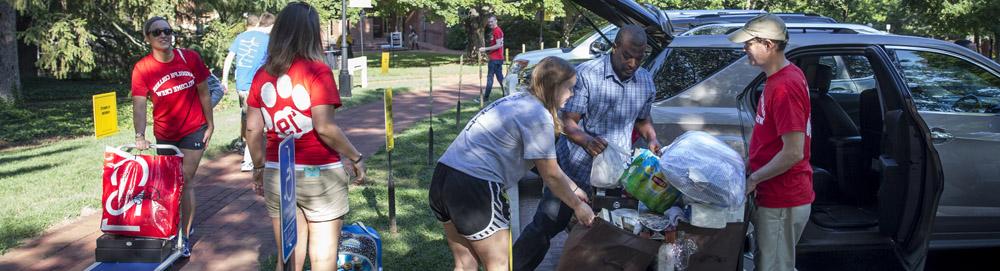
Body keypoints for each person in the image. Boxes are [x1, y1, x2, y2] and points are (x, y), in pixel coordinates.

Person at [513, 24, 661, 271]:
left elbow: (643, 119)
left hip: (617, 175)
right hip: (574, 171)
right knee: (546, 225)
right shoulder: (588, 74)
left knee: (612, 233)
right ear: (614, 48)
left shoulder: (645, 81)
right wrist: (587, 140)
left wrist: (652, 138)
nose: (633, 63)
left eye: (639, 57)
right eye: (627, 55)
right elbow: (567, 122)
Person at [430, 56, 595, 271]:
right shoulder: (538, 116)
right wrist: (578, 206)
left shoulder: (518, 101)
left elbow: (544, 165)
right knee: (500, 266)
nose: (572, 95)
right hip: (475, 187)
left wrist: (573, 188)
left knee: (465, 265)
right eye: (570, 88)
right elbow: (551, 175)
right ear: (555, 87)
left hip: (443, 179)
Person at [245, 2, 366, 271]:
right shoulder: (317, 71)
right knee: (323, 259)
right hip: (319, 171)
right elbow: (324, 127)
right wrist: (355, 157)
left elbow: (253, 129)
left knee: (288, 258)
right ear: (311, 32)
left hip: (278, 171)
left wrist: (258, 165)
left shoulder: (261, 74)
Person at [728, 14, 814, 271]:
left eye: (749, 43)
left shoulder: (785, 87)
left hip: (783, 198)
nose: (745, 49)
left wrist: (754, 180)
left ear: (768, 45)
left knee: (774, 267)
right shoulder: (776, 78)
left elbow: (793, 153)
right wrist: (748, 163)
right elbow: (770, 136)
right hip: (773, 194)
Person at [131, 16, 214, 257]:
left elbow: (204, 92)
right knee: (169, 184)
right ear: (148, 38)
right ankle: (170, 226)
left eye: (167, 30)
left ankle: (184, 236)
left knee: (185, 179)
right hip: (165, 134)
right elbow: (139, 105)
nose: (163, 35)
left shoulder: (189, 58)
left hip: (193, 129)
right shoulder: (143, 68)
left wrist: (210, 125)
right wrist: (140, 135)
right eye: (157, 32)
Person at [223, 12, 275, 172]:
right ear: (270, 26)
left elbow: (229, 57)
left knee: (247, 118)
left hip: (241, 86)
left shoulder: (242, 36)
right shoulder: (267, 40)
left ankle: (247, 151)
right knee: (257, 123)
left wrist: (224, 79)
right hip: (256, 86)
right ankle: (249, 160)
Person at [477, 15, 504, 102]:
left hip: (496, 59)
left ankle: (485, 98)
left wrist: (485, 49)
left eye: (492, 21)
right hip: (497, 58)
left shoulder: (497, 31)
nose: (490, 24)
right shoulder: (496, 31)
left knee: (490, 78)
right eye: (489, 22)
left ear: (496, 21)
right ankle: (507, 94)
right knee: (500, 78)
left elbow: (499, 45)